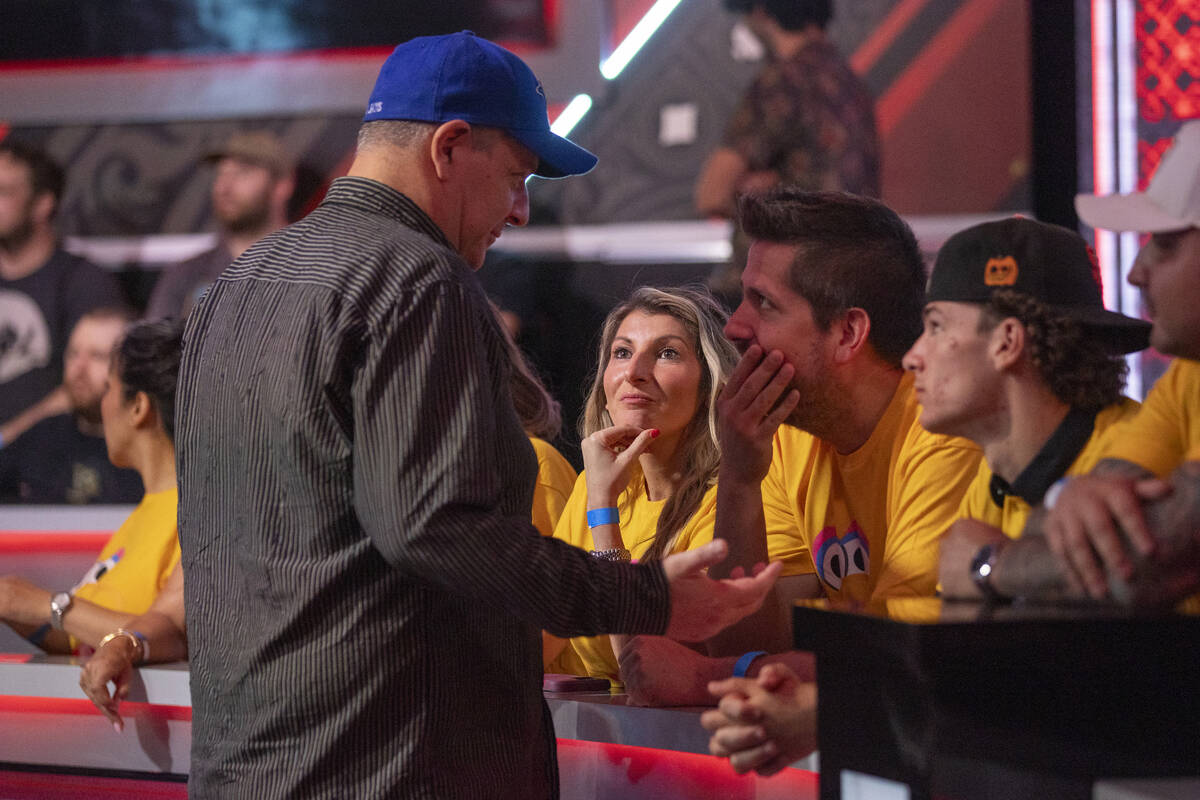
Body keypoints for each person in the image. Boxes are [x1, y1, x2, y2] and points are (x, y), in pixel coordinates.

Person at [174, 32, 780, 799]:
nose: (521, 211)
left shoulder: (237, 283)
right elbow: (440, 527)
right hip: (394, 772)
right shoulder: (422, 278)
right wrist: (650, 596)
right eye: (518, 177)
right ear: (450, 147)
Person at [618, 189, 981, 706]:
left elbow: (898, 657)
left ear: (848, 333)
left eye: (763, 302)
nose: (735, 325)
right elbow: (751, 636)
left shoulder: (940, 433)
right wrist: (740, 480)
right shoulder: (785, 435)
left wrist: (709, 677)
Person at [971, 121, 1200, 606]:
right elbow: (1061, 526)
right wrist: (1065, 497)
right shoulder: (1190, 375)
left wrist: (988, 566)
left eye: (1165, 244)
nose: (1136, 272)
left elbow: (1138, 566)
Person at [546, 286, 810, 686]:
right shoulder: (593, 482)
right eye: (621, 352)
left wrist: (603, 511)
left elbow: (645, 665)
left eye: (667, 353)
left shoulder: (744, 489)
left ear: (710, 385)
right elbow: (546, 632)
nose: (634, 372)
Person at [895, 217, 1150, 598]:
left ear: (1007, 342)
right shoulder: (993, 479)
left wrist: (988, 564)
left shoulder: (1134, 459)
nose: (912, 358)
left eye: (936, 327)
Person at [0, 318, 182, 654]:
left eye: (109, 388)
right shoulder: (147, 512)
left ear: (139, 407)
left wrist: (46, 604)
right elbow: (81, 638)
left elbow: (166, 636)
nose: (103, 403)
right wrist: (13, 604)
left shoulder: (193, 515)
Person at [697, 0, 879, 302]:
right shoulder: (852, 85)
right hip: (844, 286)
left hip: (774, 293)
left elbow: (711, 194)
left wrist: (761, 194)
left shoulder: (780, 83)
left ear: (760, 12)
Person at [0, 140, 126, 447]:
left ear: (43, 204)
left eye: (3, 192)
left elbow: (87, 386)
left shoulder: (83, 282)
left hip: (44, 462)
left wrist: (6, 440)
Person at [144, 130, 295, 320]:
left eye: (242, 173)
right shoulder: (186, 275)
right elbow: (157, 346)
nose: (224, 187)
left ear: (282, 185)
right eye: (221, 173)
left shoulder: (314, 266)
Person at [0, 307, 143, 504]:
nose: (79, 367)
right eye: (73, 353)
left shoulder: (149, 449)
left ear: (132, 369)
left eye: (97, 356)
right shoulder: (42, 437)